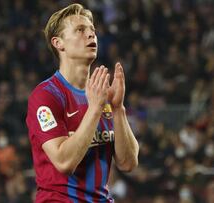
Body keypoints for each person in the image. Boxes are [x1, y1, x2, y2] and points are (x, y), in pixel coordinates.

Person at [26, 3, 139, 202]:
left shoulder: (100, 93)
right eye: (80, 30)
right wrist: (95, 110)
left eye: (92, 30)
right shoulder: (45, 96)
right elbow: (64, 162)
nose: (91, 35)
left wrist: (118, 109)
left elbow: (128, 163)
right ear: (58, 43)